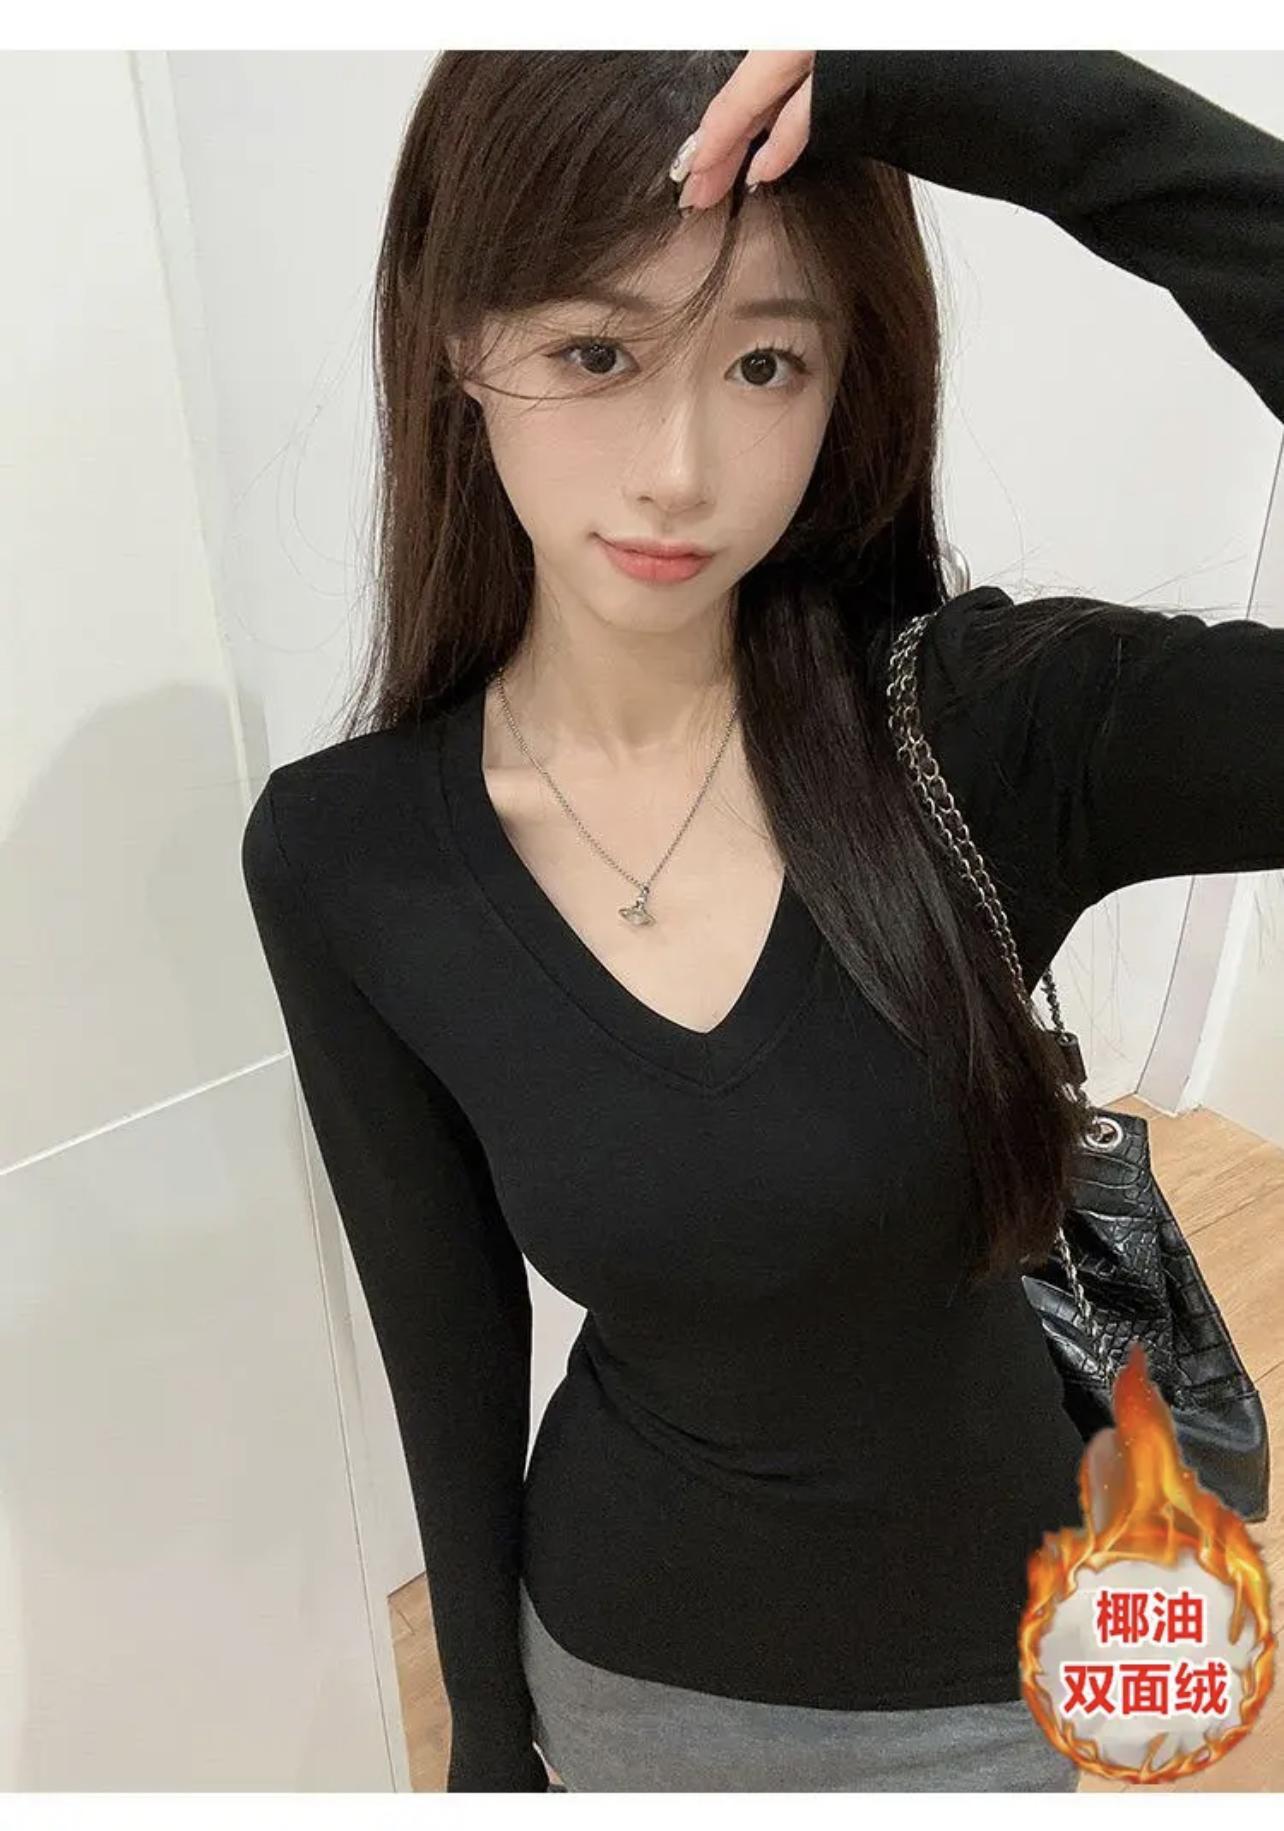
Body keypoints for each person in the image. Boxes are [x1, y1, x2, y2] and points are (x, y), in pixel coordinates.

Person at [240, 50, 1284, 1791]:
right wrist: (487, 1745)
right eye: (597, 352)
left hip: (995, 1679)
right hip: (629, 1681)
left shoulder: (992, 734)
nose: (681, 468)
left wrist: (1015, 103)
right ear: (456, 342)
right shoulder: (348, 854)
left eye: (766, 363)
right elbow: (447, 1333)